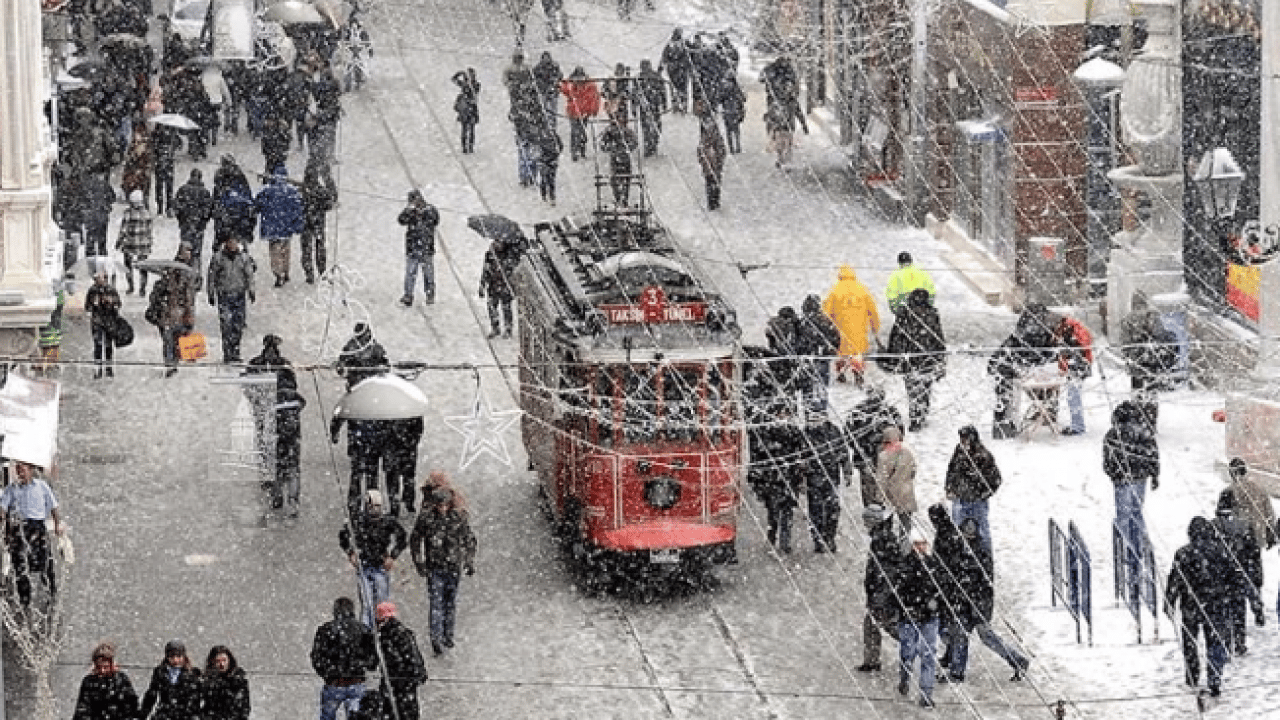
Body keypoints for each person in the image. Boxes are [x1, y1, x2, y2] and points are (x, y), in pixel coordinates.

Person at [931, 509, 1029, 684]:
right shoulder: (962, 547)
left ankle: (1016, 659)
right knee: (961, 633)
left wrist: (968, 591)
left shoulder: (977, 551)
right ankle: (956, 670)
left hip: (975, 602)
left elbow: (979, 579)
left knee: (981, 635)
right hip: (967, 601)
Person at [1103, 399, 1160, 608]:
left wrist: (1115, 475)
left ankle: (1127, 549)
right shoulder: (1144, 433)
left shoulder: (1113, 435)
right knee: (1137, 513)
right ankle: (1139, 545)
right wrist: (1153, 475)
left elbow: (1107, 460)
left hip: (1122, 481)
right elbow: (1154, 455)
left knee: (1123, 516)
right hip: (1140, 478)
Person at [1166, 516, 1232, 696]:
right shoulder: (1221, 551)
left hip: (1191, 604)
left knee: (1190, 641)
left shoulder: (1183, 553)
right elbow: (1231, 577)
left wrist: (1169, 601)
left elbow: (1175, 580)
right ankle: (1215, 676)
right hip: (1215, 603)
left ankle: (1192, 674)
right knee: (1215, 642)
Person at [409, 482, 477, 655]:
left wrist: (469, 561)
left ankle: (447, 635)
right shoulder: (427, 519)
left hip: (453, 566)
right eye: (439, 505)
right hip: (435, 567)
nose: (442, 508)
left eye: (445, 505)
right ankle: (436, 638)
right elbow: (415, 540)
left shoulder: (458, 518)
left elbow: (469, 540)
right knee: (437, 603)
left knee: (449, 602)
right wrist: (419, 563)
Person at [247, 335, 305, 514]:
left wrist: (257, 402)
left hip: (266, 413)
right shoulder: (285, 365)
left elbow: (248, 387)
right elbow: (297, 392)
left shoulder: (254, 364)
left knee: (268, 451)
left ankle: (273, 488)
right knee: (292, 460)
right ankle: (292, 498)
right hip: (289, 420)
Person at [986, 302, 1057, 439]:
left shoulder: (1025, 329)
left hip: (1006, 367)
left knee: (1006, 399)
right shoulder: (1037, 331)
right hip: (1008, 368)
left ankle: (1005, 426)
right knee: (1008, 398)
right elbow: (1039, 353)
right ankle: (1007, 426)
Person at [0, 460, 65, 607]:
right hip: (19, 529)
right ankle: (24, 598)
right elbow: (2, 509)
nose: (19, 473)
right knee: (20, 563)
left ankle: (51, 591)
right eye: (17, 470)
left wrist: (57, 524)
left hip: (37, 527)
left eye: (22, 470)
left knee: (44, 561)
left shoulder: (42, 487)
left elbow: (54, 507)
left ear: (31, 470)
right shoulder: (11, 489)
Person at [340, 489, 408, 628]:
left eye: (377, 506)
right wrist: (351, 553)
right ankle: (367, 633)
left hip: (381, 566)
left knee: (382, 603)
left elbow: (402, 538)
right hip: (363, 564)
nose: (374, 510)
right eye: (371, 506)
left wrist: (392, 556)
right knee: (367, 605)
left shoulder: (388, 521)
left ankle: (383, 631)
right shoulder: (358, 521)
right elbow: (343, 536)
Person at [883, 288, 946, 431]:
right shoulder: (931, 315)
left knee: (912, 390)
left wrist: (893, 355)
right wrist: (940, 358)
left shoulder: (904, 315)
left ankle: (916, 416)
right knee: (924, 389)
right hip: (927, 360)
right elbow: (938, 339)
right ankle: (920, 414)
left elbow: (895, 337)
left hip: (909, 360)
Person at [1211, 488, 1263, 656]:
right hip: (1240, 571)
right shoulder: (1245, 525)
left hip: (1220, 575)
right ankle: (1239, 642)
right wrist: (1255, 574)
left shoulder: (1213, 525)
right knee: (1238, 607)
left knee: (1222, 609)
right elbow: (1254, 553)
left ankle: (1226, 640)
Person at [746, 401, 803, 553]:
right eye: (780, 414)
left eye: (786, 414)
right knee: (773, 511)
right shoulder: (765, 433)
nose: (783, 418)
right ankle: (772, 536)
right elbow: (757, 457)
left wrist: (798, 470)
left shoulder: (795, 432)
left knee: (787, 511)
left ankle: (785, 542)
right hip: (772, 480)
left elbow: (801, 453)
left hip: (789, 478)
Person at [895, 529, 942, 708]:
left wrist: (935, 605)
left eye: (923, 544)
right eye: (917, 544)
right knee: (908, 653)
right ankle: (905, 678)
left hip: (928, 617)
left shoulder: (933, 566)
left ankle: (926, 694)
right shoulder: (905, 566)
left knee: (928, 655)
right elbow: (899, 592)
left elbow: (941, 591)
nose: (921, 548)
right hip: (911, 616)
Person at [310, 597, 378, 720]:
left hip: (334, 683)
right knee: (357, 716)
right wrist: (363, 667)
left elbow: (317, 657)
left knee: (327, 716)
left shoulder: (326, 630)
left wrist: (327, 673)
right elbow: (373, 658)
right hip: (357, 681)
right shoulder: (363, 630)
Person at [1120, 293, 1179, 431]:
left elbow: (1124, 344)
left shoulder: (1128, 319)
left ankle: (1138, 421)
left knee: (1137, 392)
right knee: (1152, 393)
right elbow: (1162, 336)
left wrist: (1130, 357)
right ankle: (1151, 423)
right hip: (1153, 362)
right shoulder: (1154, 316)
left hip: (1137, 363)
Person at [944, 425, 1002, 555]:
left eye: (965, 439)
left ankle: (985, 557)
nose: (963, 442)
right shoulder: (959, 451)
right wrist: (949, 487)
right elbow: (951, 470)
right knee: (958, 530)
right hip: (959, 499)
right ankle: (959, 558)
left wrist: (984, 493)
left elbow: (996, 479)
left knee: (982, 532)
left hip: (977, 501)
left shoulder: (984, 455)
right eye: (961, 439)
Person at [857, 510, 903, 672]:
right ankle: (871, 660)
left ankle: (918, 648)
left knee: (886, 625)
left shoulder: (881, 539)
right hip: (880, 591)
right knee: (873, 625)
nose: (864, 525)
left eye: (866, 521)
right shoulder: (882, 537)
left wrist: (880, 593)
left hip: (882, 593)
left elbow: (886, 570)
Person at [844, 387, 904, 509]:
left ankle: (883, 517)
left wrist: (884, 439)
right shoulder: (858, 412)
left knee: (883, 490)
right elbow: (849, 435)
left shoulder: (890, 411)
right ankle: (872, 516)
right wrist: (865, 443)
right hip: (865, 456)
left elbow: (900, 433)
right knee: (869, 488)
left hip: (886, 458)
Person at [822, 265, 881, 386]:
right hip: (859, 330)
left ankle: (841, 373)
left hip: (840, 330)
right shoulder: (862, 290)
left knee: (841, 353)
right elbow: (873, 311)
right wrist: (875, 327)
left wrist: (826, 329)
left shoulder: (834, 291)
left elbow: (826, 313)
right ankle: (858, 373)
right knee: (857, 352)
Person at [802, 412, 850, 553]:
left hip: (831, 476)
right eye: (811, 419)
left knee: (833, 508)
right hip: (813, 477)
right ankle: (818, 540)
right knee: (815, 510)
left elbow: (843, 451)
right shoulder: (806, 433)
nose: (814, 422)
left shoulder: (834, 431)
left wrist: (847, 471)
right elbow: (800, 456)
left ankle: (830, 537)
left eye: (817, 418)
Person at [148, 244, 198, 377]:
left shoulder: (188, 273)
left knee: (174, 340)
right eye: (186, 251)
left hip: (178, 315)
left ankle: (172, 363)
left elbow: (190, 297)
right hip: (169, 315)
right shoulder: (169, 279)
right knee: (170, 340)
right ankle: (171, 364)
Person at [373, 602, 428, 720]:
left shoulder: (387, 637)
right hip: (406, 686)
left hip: (397, 685)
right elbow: (415, 659)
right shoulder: (404, 633)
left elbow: (395, 661)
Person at [206, 236, 256, 363]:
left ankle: (236, 351)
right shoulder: (218, 258)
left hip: (239, 294)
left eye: (234, 242)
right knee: (226, 325)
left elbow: (249, 274)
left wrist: (251, 290)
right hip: (224, 295)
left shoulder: (243, 258)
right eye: (230, 242)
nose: (232, 244)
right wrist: (211, 292)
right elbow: (212, 276)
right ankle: (228, 353)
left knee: (237, 325)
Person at [255, 165, 305, 287]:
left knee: (275, 251)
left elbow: (257, 205)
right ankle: (285, 270)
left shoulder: (266, 191)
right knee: (285, 249)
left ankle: (278, 274)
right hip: (286, 227)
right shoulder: (292, 191)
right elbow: (298, 210)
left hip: (271, 227)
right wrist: (297, 225)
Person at [795, 294, 841, 413]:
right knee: (822, 386)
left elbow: (797, 342)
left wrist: (801, 353)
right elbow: (836, 338)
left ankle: (809, 411)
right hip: (822, 359)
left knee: (808, 388)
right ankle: (821, 410)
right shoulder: (825, 321)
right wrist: (829, 352)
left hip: (807, 359)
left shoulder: (802, 323)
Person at [72, 642, 139, 720]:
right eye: (99, 667)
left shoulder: (121, 679)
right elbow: (82, 709)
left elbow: (132, 706)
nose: (102, 671)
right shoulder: (89, 682)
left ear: (111, 664)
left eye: (105, 667)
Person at [1052, 313, 1094, 435]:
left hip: (1077, 367)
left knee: (1073, 396)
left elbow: (1071, 350)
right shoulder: (1074, 328)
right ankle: (1077, 425)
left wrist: (1064, 350)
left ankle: (1078, 427)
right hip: (1080, 366)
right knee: (1073, 396)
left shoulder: (1070, 330)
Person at [138, 640, 202, 720]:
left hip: (185, 715)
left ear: (184, 657)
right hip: (164, 713)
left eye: (178, 656)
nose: (175, 660)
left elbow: (196, 699)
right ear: (167, 657)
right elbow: (151, 695)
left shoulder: (193, 673)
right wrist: (142, 714)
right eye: (172, 657)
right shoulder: (161, 672)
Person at [398, 190, 440, 307]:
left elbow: (436, 220)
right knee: (410, 273)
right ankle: (408, 295)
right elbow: (401, 220)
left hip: (426, 247)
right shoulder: (410, 212)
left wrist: (423, 214)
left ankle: (430, 294)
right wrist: (409, 211)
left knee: (428, 273)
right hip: (413, 247)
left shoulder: (430, 210)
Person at [1226, 458, 1276, 551]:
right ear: (1245, 471)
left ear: (1231, 473)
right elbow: (1269, 514)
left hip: (1239, 539)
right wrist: (1270, 534)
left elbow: (1223, 519)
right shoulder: (1259, 488)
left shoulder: (1229, 492)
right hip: (1259, 537)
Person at [301, 159, 337, 284]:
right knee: (320, 247)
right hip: (318, 222)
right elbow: (330, 204)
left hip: (305, 221)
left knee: (306, 248)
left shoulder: (302, 190)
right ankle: (322, 271)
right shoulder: (321, 190)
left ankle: (309, 273)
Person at [174, 169, 213, 274]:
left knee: (185, 249)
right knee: (196, 252)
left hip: (186, 225)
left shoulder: (183, 189)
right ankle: (196, 275)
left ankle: (182, 272)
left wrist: (182, 220)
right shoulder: (205, 192)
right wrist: (202, 222)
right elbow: (208, 211)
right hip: (198, 227)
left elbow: (177, 207)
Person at [878, 426, 917, 529]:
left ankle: (889, 543)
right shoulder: (908, 453)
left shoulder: (883, 456)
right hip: (906, 494)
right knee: (905, 526)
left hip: (890, 496)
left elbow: (882, 478)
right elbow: (913, 472)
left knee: (886, 526)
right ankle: (904, 544)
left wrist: (880, 497)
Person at [86, 270, 122, 379]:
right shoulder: (92, 290)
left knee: (108, 346)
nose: (98, 281)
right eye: (96, 279)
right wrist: (93, 304)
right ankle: (98, 368)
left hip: (109, 321)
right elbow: (87, 307)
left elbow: (118, 304)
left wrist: (111, 303)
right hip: (97, 322)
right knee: (98, 345)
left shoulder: (111, 290)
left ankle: (109, 368)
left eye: (100, 278)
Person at [116, 189, 153, 295]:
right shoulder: (147, 213)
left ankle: (131, 286)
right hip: (143, 244)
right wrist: (149, 241)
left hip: (130, 243)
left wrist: (119, 241)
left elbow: (124, 229)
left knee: (128, 265)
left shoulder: (128, 213)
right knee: (143, 266)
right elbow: (149, 230)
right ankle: (142, 288)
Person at [199, 644, 251, 720]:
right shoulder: (207, 682)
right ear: (213, 662)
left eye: (224, 660)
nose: (221, 664)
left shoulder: (239, 681)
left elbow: (245, 708)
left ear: (229, 661)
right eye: (218, 661)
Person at [386, 417, 424, 516]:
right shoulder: (412, 409)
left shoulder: (388, 409)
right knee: (407, 479)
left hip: (395, 450)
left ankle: (398, 507)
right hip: (406, 450)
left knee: (395, 480)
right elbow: (418, 430)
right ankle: (408, 505)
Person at [479, 240, 517, 339]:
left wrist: (506, 268)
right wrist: (482, 285)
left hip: (505, 285)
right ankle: (495, 327)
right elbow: (485, 270)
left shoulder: (509, 255)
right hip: (493, 285)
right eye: (496, 242)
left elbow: (513, 270)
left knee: (506, 308)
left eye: (500, 242)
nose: (497, 244)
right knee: (491, 306)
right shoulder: (490, 254)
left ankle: (508, 328)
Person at [559, 67, 599, 161]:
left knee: (581, 132)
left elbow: (594, 97)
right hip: (574, 112)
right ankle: (575, 152)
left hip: (583, 112)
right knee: (575, 132)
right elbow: (564, 90)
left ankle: (581, 150)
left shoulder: (589, 85)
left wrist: (593, 110)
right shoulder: (571, 84)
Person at [598, 117, 639, 207]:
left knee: (621, 178)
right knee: (618, 179)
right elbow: (602, 144)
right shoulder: (611, 132)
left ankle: (622, 199)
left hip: (622, 157)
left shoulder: (624, 131)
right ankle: (621, 198)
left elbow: (635, 142)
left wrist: (624, 148)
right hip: (618, 157)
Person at [695, 99, 727, 211]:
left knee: (713, 182)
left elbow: (721, 149)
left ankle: (714, 202)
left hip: (713, 164)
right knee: (711, 182)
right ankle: (713, 203)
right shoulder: (707, 139)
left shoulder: (711, 138)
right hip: (711, 165)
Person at [636, 59, 666, 157]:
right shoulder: (655, 76)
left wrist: (634, 107)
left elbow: (635, 94)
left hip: (645, 105)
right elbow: (663, 91)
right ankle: (653, 144)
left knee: (646, 127)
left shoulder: (639, 78)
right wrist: (664, 103)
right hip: (653, 104)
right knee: (655, 125)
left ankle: (649, 145)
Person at [660, 29, 692, 114]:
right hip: (676, 71)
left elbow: (688, 58)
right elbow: (664, 57)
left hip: (678, 71)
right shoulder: (675, 45)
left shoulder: (681, 44)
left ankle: (680, 106)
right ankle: (679, 106)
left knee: (678, 89)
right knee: (678, 89)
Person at [451, 68, 481, 154]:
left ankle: (470, 146)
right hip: (466, 108)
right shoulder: (465, 84)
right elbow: (453, 79)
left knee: (471, 128)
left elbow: (474, 91)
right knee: (465, 128)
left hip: (470, 108)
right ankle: (465, 146)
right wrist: (459, 73)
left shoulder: (475, 85)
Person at [531, 51, 563, 125]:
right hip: (543, 91)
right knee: (544, 109)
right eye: (544, 58)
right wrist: (541, 84)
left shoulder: (555, 66)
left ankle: (553, 125)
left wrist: (554, 80)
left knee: (553, 110)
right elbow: (534, 78)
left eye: (547, 58)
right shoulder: (538, 68)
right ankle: (545, 125)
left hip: (553, 91)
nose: (546, 60)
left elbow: (560, 75)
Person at [535, 125, 563, 206]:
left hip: (546, 161)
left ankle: (546, 196)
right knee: (550, 179)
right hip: (550, 160)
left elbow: (537, 148)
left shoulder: (540, 135)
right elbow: (560, 146)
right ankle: (550, 197)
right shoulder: (553, 135)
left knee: (545, 179)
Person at [721, 74, 746, 154]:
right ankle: (737, 147)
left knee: (729, 131)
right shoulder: (736, 89)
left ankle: (732, 148)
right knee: (735, 130)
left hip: (728, 111)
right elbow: (744, 99)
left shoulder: (724, 89)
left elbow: (719, 99)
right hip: (734, 111)